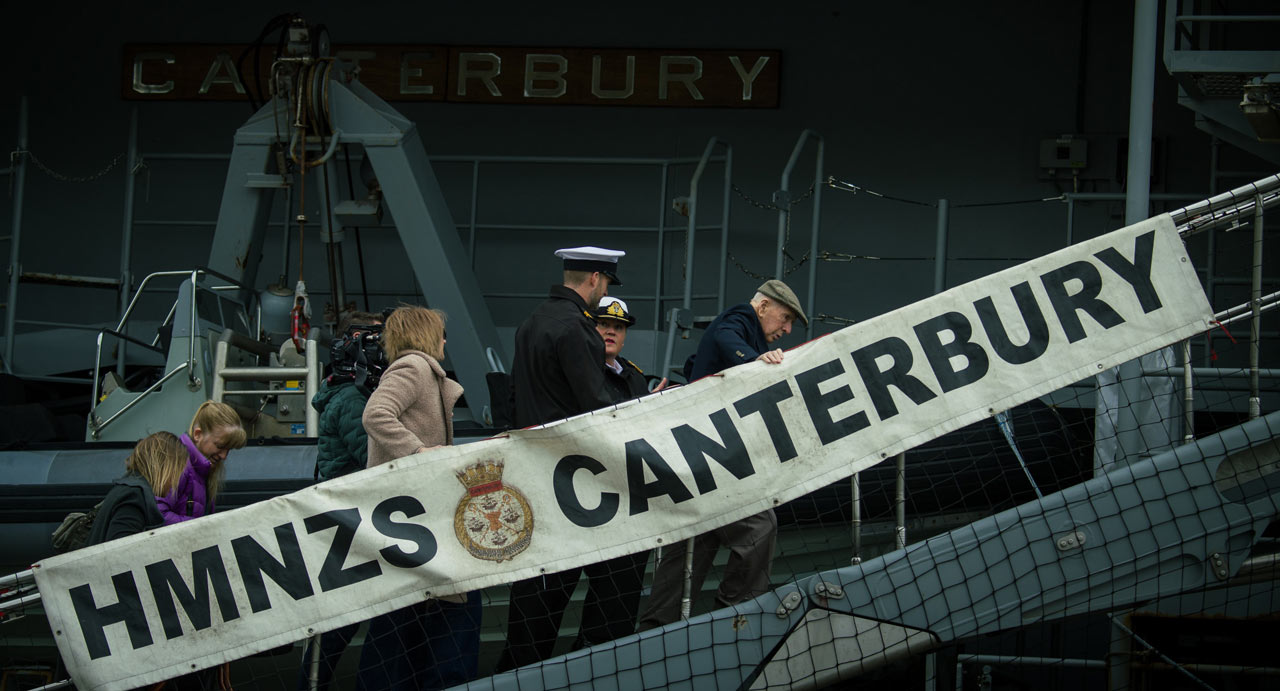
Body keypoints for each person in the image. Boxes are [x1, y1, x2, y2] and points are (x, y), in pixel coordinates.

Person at [638, 279, 808, 631]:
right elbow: (725, 337)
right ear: (763, 306)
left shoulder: (748, 329)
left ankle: (656, 629)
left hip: (699, 460)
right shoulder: (741, 317)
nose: (787, 329)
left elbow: (700, 361)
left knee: (692, 543)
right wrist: (754, 359)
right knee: (759, 527)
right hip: (717, 458)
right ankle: (736, 617)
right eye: (786, 318)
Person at [496, 246, 629, 670]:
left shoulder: (531, 323)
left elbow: (514, 396)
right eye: (605, 283)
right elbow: (595, 404)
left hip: (532, 471)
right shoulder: (577, 328)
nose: (603, 290)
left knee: (536, 585)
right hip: (573, 478)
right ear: (594, 278)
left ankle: (517, 670)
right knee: (586, 579)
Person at [356, 306, 480, 691]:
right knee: (406, 624)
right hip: (409, 518)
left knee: (402, 624)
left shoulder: (419, 370)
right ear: (426, 335)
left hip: (412, 518)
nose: (445, 341)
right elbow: (376, 414)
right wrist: (418, 452)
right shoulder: (413, 367)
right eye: (441, 332)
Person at [88, 431, 234, 691]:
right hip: (124, 626)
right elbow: (118, 555)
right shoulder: (134, 496)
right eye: (178, 470)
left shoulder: (129, 490)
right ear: (165, 464)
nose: (178, 479)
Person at [296, 311, 384, 691]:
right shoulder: (351, 399)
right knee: (342, 623)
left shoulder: (347, 393)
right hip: (352, 526)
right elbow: (373, 458)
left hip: (350, 523)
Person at [158, 401, 247, 525]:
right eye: (220, 446)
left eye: (229, 449)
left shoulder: (201, 470)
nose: (224, 456)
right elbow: (158, 514)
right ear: (198, 435)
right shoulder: (178, 466)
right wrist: (200, 527)